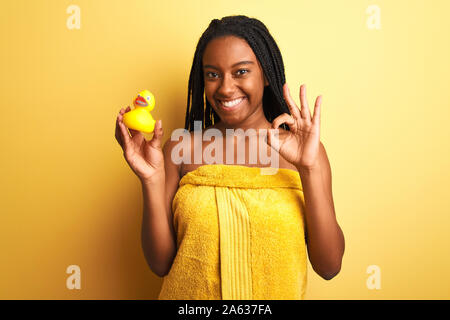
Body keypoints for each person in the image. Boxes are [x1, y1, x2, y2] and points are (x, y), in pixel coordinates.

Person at [115, 15, 345, 300]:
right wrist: (150, 179)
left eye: (241, 72)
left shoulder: (304, 152)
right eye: (212, 74)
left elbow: (329, 266)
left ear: (266, 75)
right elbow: (160, 263)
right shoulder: (181, 148)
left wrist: (308, 169)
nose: (224, 87)